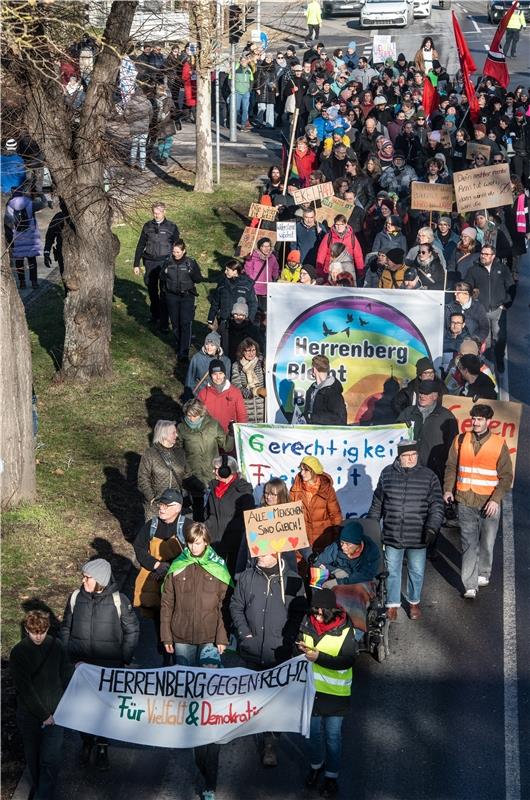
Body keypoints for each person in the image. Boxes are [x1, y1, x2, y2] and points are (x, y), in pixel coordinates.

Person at [60, 559, 139, 769]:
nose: (83, 580)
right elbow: (66, 627)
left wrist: (123, 657)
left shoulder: (119, 600)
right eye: (84, 576)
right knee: (82, 710)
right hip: (81, 667)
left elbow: (132, 631)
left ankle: (103, 745)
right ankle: (86, 741)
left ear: (101, 580)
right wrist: (69, 656)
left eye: (88, 577)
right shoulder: (76, 598)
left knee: (104, 709)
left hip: (108, 668)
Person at [230, 550, 306, 766]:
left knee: (275, 701)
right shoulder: (246, 577)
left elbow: (298, 612)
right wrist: (244, 633)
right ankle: (252, 725)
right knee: (254, 695)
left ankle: (270, 743)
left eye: (263, 551)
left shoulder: (292, 580)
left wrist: (288, 639)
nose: (258, 555)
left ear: (277, 552)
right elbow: (236, 606)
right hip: (252, 651)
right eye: (256, 551)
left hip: (278, 652)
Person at [368, 440, 444, 620]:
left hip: (418, 535)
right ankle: (392, 604)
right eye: (406, 455)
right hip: (393, 533)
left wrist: (432, 528)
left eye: (414, 455)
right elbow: (378, 502)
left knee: (416, 571)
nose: (411, 459)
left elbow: (437, 506)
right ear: (399, 457)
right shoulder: (387, 474)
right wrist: (372, 525)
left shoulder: (429, 476)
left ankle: (414, 601)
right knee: (392, 570)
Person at [443, 404, 513, 598]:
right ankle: (470, 585)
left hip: (489, 502)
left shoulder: (499, 443)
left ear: (488, 422)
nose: (475, 422)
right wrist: (448, 489)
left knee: (487, 542)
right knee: (468, 543)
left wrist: (495, 500)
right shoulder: (460, 439)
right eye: (473, 418)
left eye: (480, 419)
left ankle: (483, 571)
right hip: (465, 500)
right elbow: (451, 467)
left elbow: (506, 476)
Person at [297, 588, 358, 799]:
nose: (317, 616)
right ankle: (317, 765)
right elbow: (300, 644)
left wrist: (318, 657)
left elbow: (348, 659)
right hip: (312, 691)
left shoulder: (345, 630)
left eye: (322, 612)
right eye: (315, 612)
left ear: (332, 611)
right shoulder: (307, 622)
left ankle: (331, 776)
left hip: (335, 694)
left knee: (333, 737)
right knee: (312, 734)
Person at [9, 610, 73, 800]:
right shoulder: (19, 652)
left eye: (42, 632)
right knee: (34, 759)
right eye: (33, 632)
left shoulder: (57, 646)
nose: (38, 636)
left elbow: (66, 673)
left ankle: (43, 796)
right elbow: (25, 689)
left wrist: (78, 671)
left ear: (47, 629)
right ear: (27, 629)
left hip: (56, 713)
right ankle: (41, 791)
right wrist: (44, 714)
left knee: (50, 760)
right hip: (30, 716)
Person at [160, 523, 232, 665]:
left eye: (198, 543)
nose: (193, 547)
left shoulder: (218, 567)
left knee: (207, 683)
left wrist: (222, 637)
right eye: (190, 543)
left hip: (210, 636)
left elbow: (224, 604)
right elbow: (167, 603)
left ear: (206, 542)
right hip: (181, 635)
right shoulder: (178, 565)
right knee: (183, 681)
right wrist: (166, 636)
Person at [178, 399, 234, 520]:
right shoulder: (181, 428)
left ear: (201, 414)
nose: (192, 419)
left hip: (212, 476)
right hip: (193, 477)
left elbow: (227, 446)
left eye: (195, 415)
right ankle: (198, 535)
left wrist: (231, 434)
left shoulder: (213, 425)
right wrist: (185, 473)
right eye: (189, 415)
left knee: (212, 510)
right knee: (198, 513)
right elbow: (177, 453)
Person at [397, 380, 459, 485]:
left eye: (426, 394)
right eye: (420, 393)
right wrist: (400, 424)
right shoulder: (407, 413)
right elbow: (393, 436)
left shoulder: (446, 417)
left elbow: (453, 446)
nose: (422, 396)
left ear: (435, 396)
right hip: (409, 470)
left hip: (435, 472)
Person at [464, 245, 513, 371]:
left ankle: (499, 358)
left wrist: (506, 304)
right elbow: (467, 288)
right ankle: (486, 364)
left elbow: (511, 287)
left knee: (500, 338)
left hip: (498, 310)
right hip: (481, 311)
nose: (483, 256)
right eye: (482, 253)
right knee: (485, 340)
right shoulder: (473, 270)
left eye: (486, 254)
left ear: (493, 256)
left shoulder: (502, 269)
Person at [205, 455, 255, 575]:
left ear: (226, 470)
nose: (213, 471)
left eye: (216, 469)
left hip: (234, 544)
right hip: (213, 541)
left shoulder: (243, 491)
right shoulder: (213, 488)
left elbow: (248, 519)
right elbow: (207, 513)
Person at [133, 203, 180, 330]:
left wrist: (176, 263)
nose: (156, 215)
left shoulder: (172, 227)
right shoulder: (147, 226)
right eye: (154, 212)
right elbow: (140, 245)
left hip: (165, 263)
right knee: (152, 290)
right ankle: (155, 315)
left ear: (164, 211)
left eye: (158, 212)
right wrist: (136, 264)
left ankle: (165, 321)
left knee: (164, 292)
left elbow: (179, 247)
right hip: (150, 262)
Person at [137, 420, 191, 520]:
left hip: (175, 506)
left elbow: (187, 476)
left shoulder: (180, 453)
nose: (177, 435)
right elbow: (143, 478)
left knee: (174, 535)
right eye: (173, 432)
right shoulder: (150, 454)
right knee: (155, 534)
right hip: (156, 506)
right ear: (164, 434)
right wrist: (151, 498)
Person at [160, 239, 202, 364]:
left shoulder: (191, 263)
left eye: (178, 252)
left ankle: (184, 351)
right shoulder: (168, 262)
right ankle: (180, 343)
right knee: (175, 323)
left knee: (185, 322)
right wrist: (165, 273)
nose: (175, 254)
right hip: (172, 296)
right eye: (174, 252)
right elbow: (161, 277)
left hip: (187, 296)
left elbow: (198, 279)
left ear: (184, 251)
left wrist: (192, 272)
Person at [290, 456, 342, 555]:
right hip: (301, 542)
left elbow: (335, 514)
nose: (302, 473)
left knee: (321, 569)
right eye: (301, 469)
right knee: (301, 568)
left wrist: (337, 538)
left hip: (322, 540)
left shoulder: (326, 489)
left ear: (314, 471)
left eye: (306, 470)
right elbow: (289, 514)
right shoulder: (295, 488)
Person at [193, 644, 224, 800]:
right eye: (205, 664)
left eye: (213, 664)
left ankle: (210, 788)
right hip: (198, 726)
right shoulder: (194, 681)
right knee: (199, 758)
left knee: (212, 757)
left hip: (216, 727)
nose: (209, 667)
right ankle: (207, 776)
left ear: (218, 665)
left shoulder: (227, 681)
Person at [312, 519, 380, 587]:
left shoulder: (371, 551)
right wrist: (335, 570)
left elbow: (366, 575)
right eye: (342, 542)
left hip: (360, 584)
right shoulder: (336, 546)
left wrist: (340, 582)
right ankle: (316, 595)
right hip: (337, 578)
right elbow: (318, 562)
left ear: (357, 544)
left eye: (347, 544)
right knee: (317, 574)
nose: (343, 547)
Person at [4, 185, 47, 290]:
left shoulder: (9, 206)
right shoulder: (29, 203)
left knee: (19, 261)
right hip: (30, 237)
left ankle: (22, 282)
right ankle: (34, 282)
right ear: (22, 192)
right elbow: (44, 203)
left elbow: (8, 225)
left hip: (17, 238)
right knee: (32, 260)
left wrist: (10, 241)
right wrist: (40, 194)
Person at [198, 359, 248, 433]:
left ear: (224, 374)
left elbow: (242, 415)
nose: (218, 377)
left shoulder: (235, 392)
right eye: (214, 374)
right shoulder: (203, 393)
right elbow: (198, 415)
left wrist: (241, 432)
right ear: (210, 375)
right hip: (210, 435)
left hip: (229, 434)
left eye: (220, 373)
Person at [208, 259, 258, 328]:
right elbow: (215, 303)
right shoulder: (222, 284)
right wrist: (210, 319)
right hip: (225, 322)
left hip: (241, 323)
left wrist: (249, 320)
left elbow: (253, 304)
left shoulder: (247, 286)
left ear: (235, 271)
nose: (225, 272)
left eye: (228, 270)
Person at [316, 214, 364, 281]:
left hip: (347, 271)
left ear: (345, 224)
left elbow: (358, 256)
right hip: (330, 271)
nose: (339, 227)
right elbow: (321, 255)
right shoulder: (328, 236)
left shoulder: (352, 237)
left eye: (341, 224)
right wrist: (319, 272)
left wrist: (360, 272)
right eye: (337, 224)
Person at [231, 338, 267, 423]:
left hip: (263, 409)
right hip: (246, 409)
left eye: (253, 350)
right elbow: (237, 389)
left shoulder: (262, 363)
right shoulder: (237, 366)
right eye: (247, 351)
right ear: (242, 352)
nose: (251, 353)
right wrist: (255, 391)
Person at [304, 355, 347, 426]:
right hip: (310, 434)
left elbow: (340, 419)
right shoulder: (311, 390)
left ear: (314, 369)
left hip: (327, 435)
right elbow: (307, 415)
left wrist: (311, 417)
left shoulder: (333, 391)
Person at [185, 331, 231, 398]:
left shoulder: (225, 361)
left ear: (217, 346)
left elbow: (226, 381)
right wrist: (187, 398)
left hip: (217, 396)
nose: (209, 347)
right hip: (199, 396)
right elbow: (190, 379)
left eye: (212, 345)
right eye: (207, 344)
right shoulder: (197, 358)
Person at [243, 237, 280, 314]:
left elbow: (275, 268)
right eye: (264, 246)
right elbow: (248, 269)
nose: (267, 248)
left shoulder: (272, 257)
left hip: (267, 287)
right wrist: (251, 279)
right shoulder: (253, 256)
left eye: (268, 246)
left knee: (264, 310)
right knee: (254, 308)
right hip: (255, 287)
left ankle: (262, 324)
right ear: (260, 247)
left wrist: (275, 277)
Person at [220, 299, 264, 363]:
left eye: (241, 315)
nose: (238, 317)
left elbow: (259, 344)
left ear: (245, 316)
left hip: (245, 360)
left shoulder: (252, 329)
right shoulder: (225, 326)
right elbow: (217, 337)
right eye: (236, 314)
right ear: (233, 314)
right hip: (227, 358)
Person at [125, 85, 153, 172]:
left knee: (134, 146)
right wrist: (148, 123)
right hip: (144, 127)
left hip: (134, 127)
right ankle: (143, 166)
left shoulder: (131, 102)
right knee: (142, 147)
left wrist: (130, 122)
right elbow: (151, 114)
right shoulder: (147, 102)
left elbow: (126, 114)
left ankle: (132, 164)